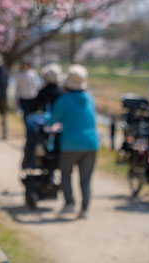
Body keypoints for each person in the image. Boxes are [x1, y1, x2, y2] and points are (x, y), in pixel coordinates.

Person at [47, 64, 99, 219]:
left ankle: (69, 204)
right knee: (86, 178)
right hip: (91, 143)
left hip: (70, 144)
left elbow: (52, 121)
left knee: (66, 174)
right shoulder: (89, 98)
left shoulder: (64, 100)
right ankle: (84, 209)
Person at [22, 63, 64, 169]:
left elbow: (33, 108)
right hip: (59, 128)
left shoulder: (43, 92)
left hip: (43, 127)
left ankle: (30, 162)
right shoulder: (61, 93)